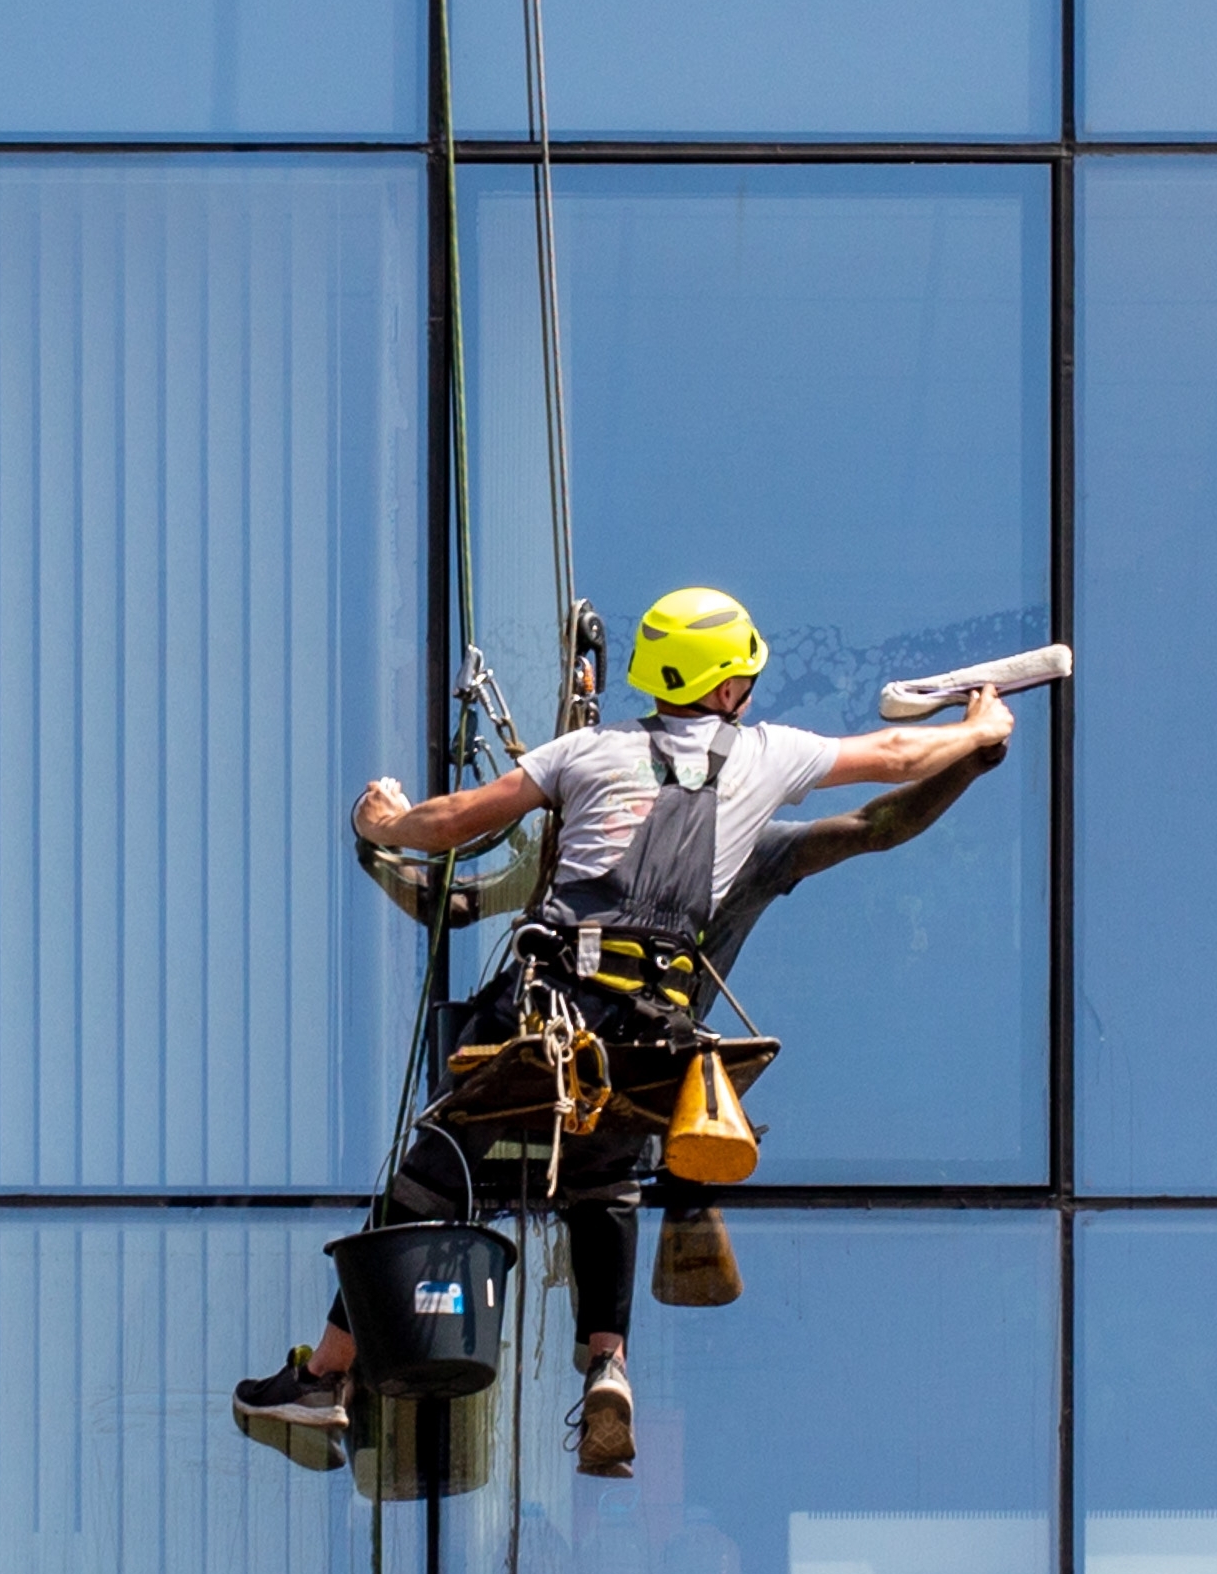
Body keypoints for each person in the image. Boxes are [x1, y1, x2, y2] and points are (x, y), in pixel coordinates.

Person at [243, 587, 1011, 1476]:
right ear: (728, 689)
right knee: (606, 1183)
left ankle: (326, 1379)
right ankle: (607, 1362)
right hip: (658, 1037)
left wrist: (382, 820)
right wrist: (974, 737)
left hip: (555, 1012)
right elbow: (891, 766)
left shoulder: (587, 752)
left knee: (433, 1170)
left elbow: (455, 824)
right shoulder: (767, 758)